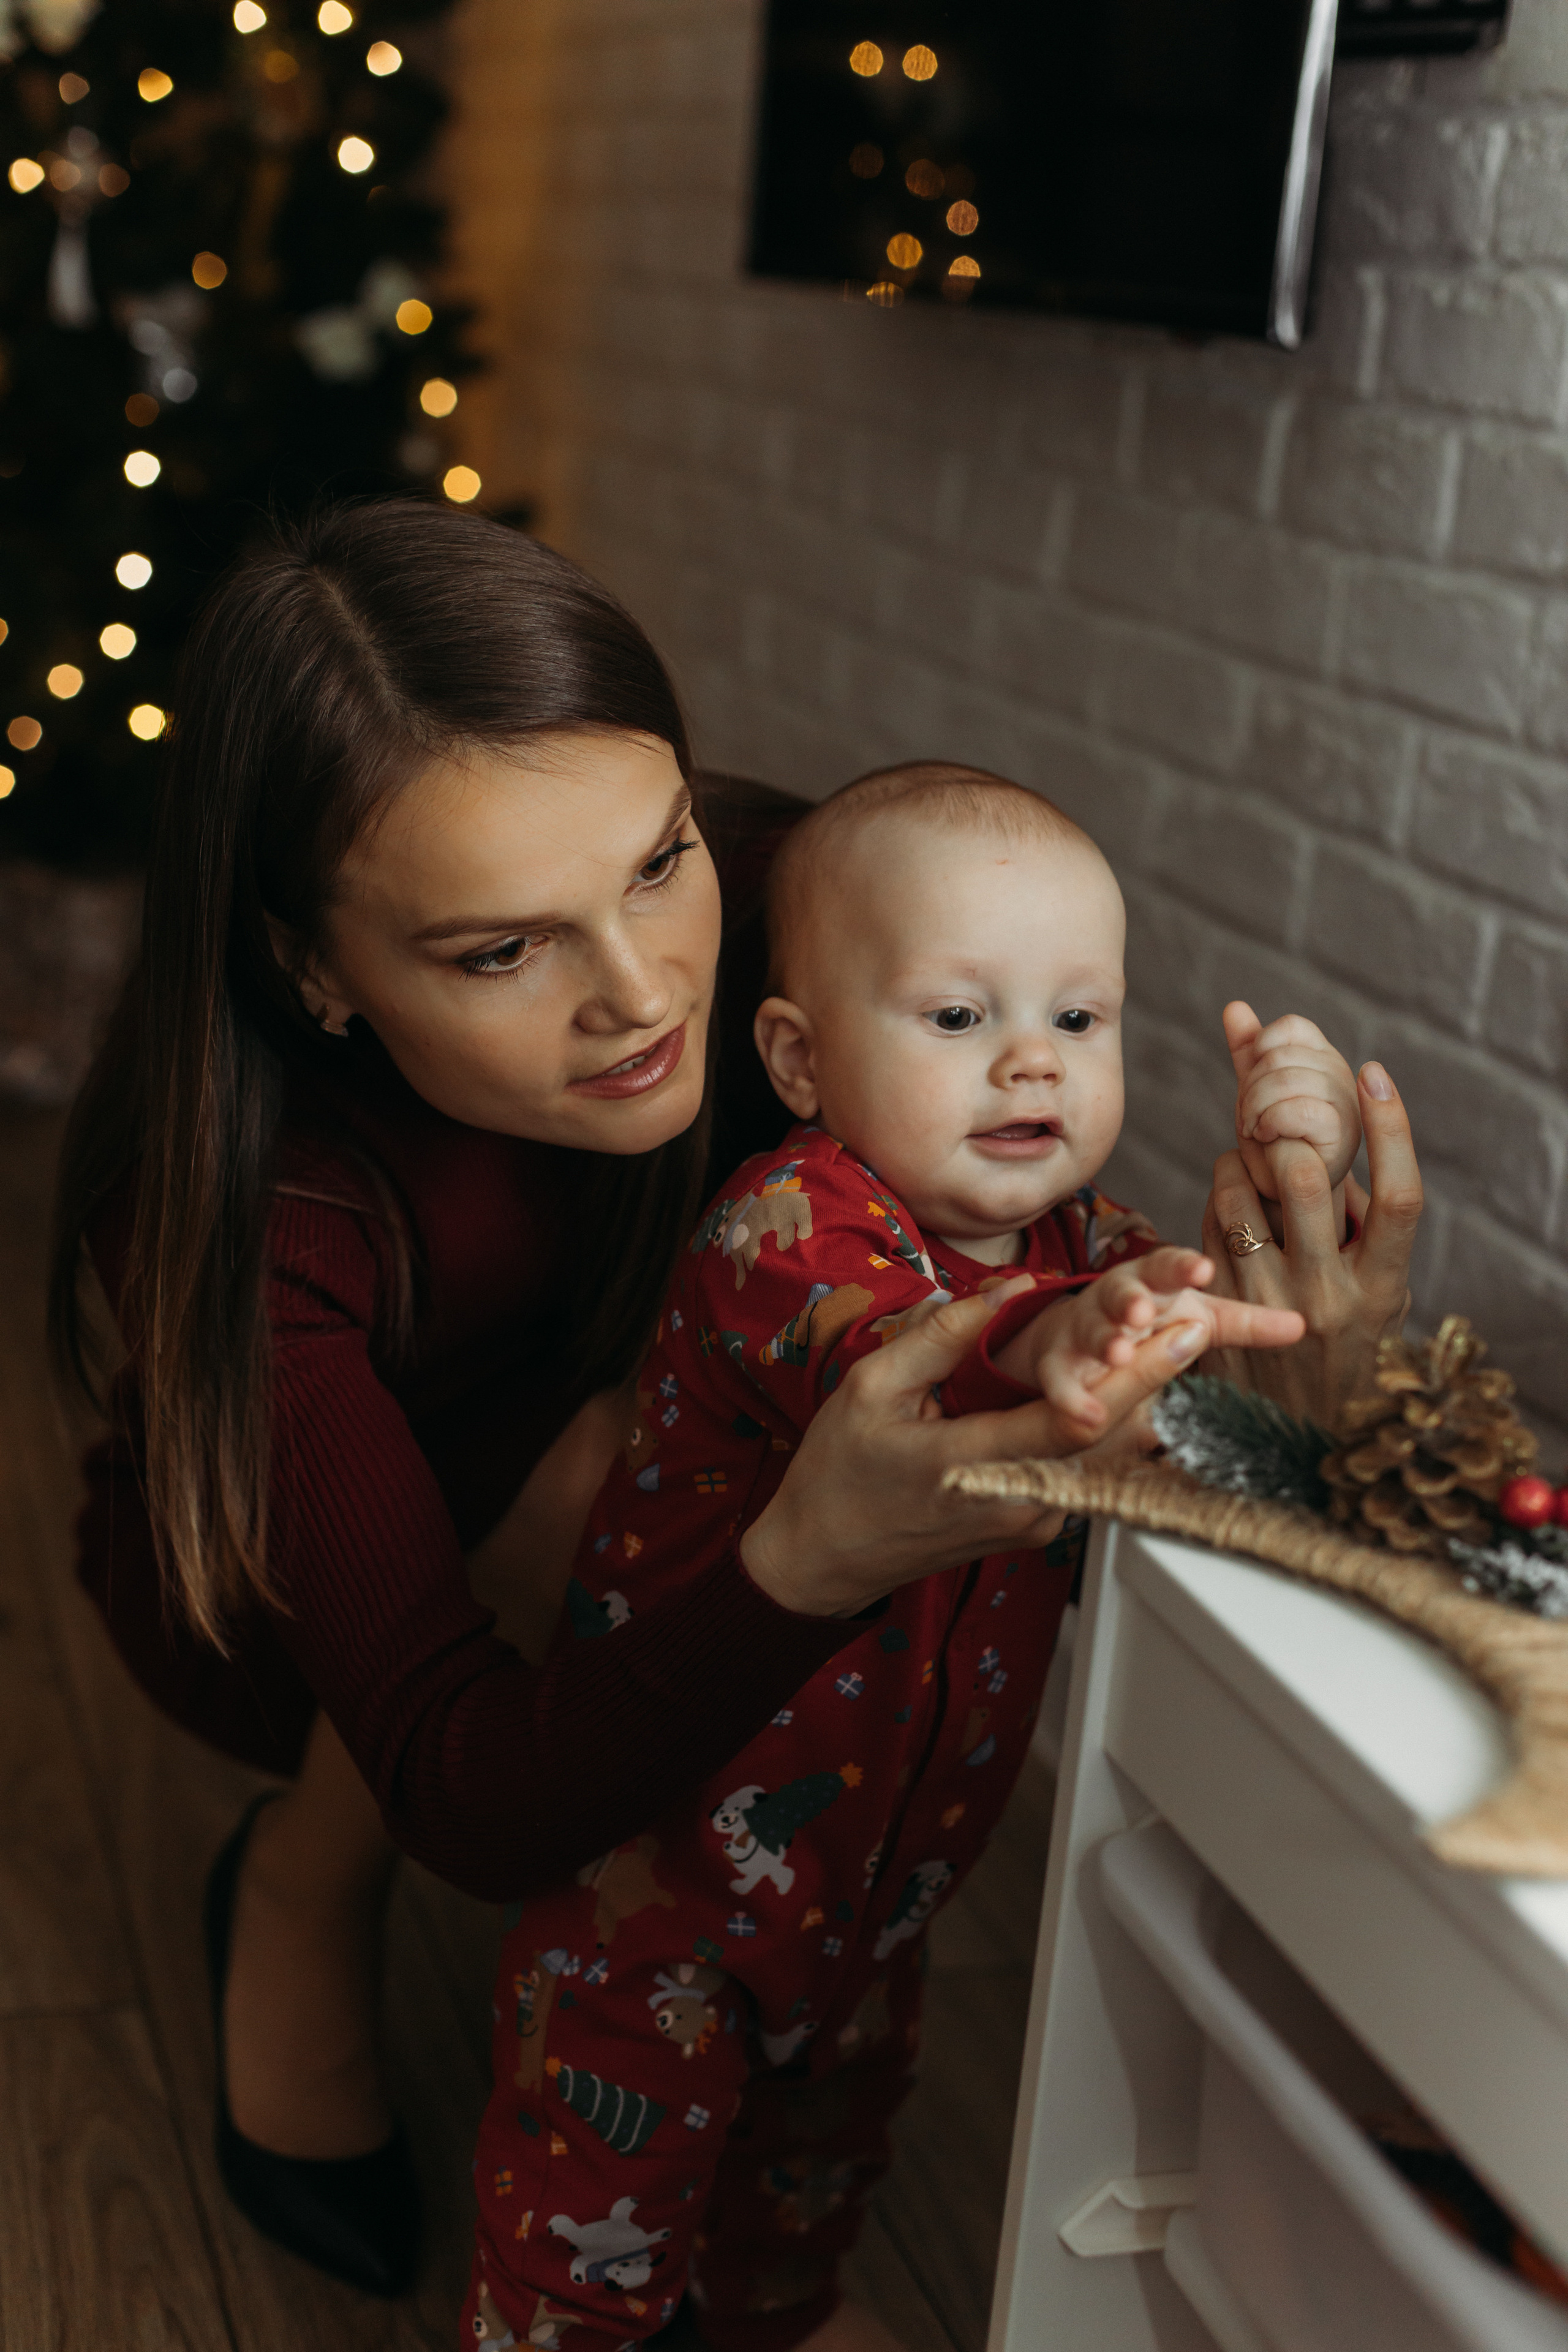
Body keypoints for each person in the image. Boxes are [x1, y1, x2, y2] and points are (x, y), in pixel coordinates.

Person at [48, 503, 1309, 2302]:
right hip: (285, 1592)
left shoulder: (793, 906)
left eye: (655, 863)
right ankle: (301, 1889)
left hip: (659, 1490)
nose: (645, 997)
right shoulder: (235, 1215)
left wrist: (1262, 1311)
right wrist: (798, 1562)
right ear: (313, 968)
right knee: (576, 1479)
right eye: (501, 952)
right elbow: (481, 1801)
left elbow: (1002, 1218)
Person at [462, 764, 1360, 2352]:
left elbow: (1208, 1433)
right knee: (601, 2188)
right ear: (801, 1059)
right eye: (959, 1018)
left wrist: (1271, 1278)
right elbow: (911, 1363)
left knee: (823, 2144)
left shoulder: (1096, 1247)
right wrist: (1077, 1337)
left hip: (886, 1878)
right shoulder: (783, 1228)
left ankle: (778, 2314)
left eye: (1080, 1020)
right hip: (662, 1872)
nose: (1033, 1060)